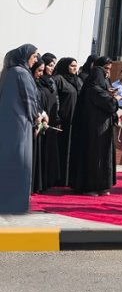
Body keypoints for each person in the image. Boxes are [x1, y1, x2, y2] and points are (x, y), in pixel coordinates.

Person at [0, 45, 41, 213]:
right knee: (21, 161)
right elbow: (29, 99)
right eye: (34, 56)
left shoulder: (9, 72)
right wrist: (37, 118)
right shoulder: (21, 73)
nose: (36, 60)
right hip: (20, 123)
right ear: (25, 56)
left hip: (7, 123)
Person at [70, 57, 120, 195]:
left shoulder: (96, 88)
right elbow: (110, 104)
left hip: (100, 128)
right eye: (105, 70)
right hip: (94, 130)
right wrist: (114, 99)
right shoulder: (94, 89)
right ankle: (90, 186)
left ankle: (101, 185)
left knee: (102, 158)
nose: (107, 73)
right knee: (94, 158)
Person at [51, 57, 82, 187]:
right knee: (62, 149)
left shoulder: (77, 80)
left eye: (76, 66)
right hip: (63, 120)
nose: (75, 68)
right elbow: (55, 99)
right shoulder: (58, 79)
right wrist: (57, 117)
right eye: (72, 66)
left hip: (75, 121)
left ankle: (70, 178)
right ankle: (59, 177)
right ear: (65, 66)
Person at [32, 57, 60, 192]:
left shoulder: (49, 82)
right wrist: (40, 115)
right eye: (39, 70)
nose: (41, 74)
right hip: (34, 122)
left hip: (45, 120)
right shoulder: (33, 83)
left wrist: (44, 115)